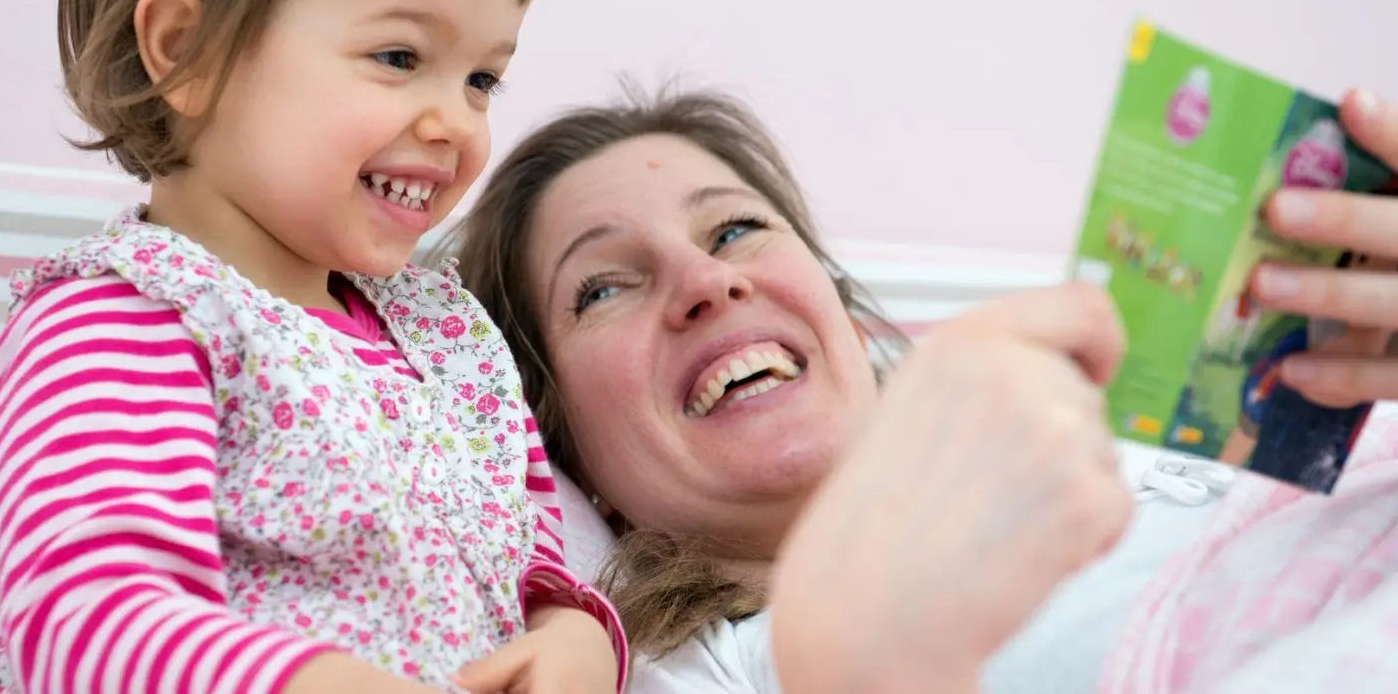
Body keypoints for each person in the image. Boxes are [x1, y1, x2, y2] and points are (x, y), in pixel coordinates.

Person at [0, 0, 624, 693]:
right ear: (188, 53)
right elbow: (87, 620)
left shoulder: (446, 337)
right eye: (400, 57)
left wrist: (573, 631)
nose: (456, 122)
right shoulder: (125, 320)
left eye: (482, 78)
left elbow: (525, 551)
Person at [451, 82, 1398, 693]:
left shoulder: (1173, 430)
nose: (707, 284)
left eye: (735, 231)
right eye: (604, 286)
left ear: (849, 319)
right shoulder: (697, 674)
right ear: (561, 448)